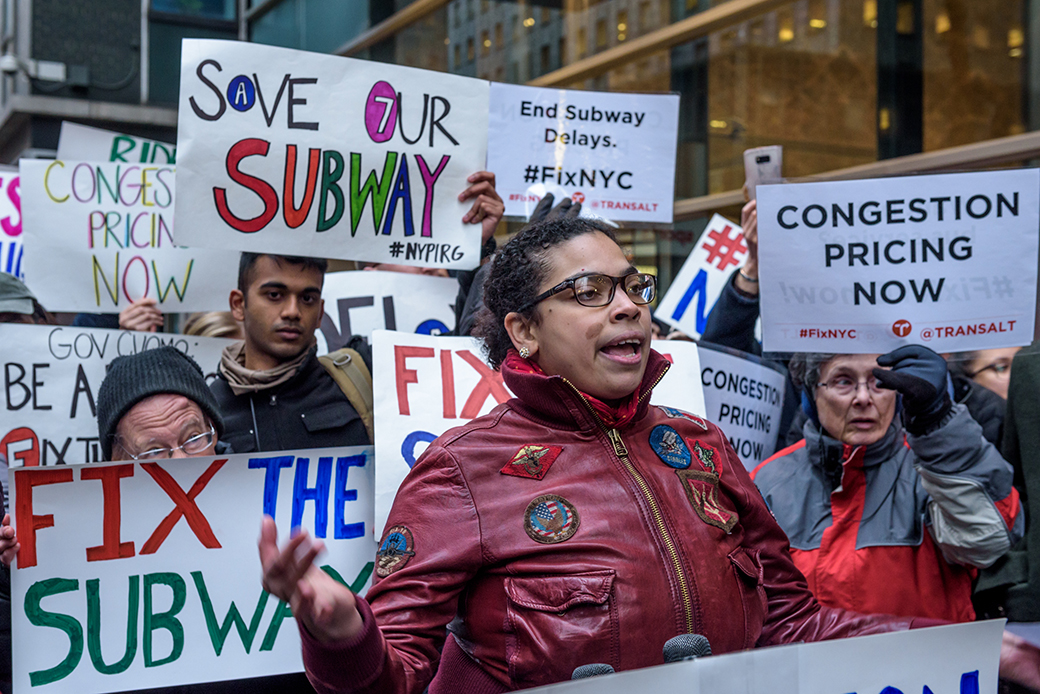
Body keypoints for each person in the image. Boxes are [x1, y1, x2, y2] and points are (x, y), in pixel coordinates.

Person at [254, 217, 1040, 693]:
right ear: (524, 331)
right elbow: (392, 681)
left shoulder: (700, 448)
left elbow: (793, 623)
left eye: (633, 285)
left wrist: (961, 649)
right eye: (592, 292)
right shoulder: (462, 470)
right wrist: (340, 632)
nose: (629, 304)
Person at [211, 172, 503, 452]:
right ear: (238, 304)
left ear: (321, 309)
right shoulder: (203, 413)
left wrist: (474, 249)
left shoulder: (365, 374)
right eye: (274, 295)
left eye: (308, 298)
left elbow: (464, 358)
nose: (292, 311)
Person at [752, 347, 1023, 622]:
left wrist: (939, 419)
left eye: (879, 382)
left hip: (926, 663)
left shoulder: (933, 469)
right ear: (811, 394)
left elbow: (987, 541)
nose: (863, 398)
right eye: (843, 381)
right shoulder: (768, 480)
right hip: (807, 665)